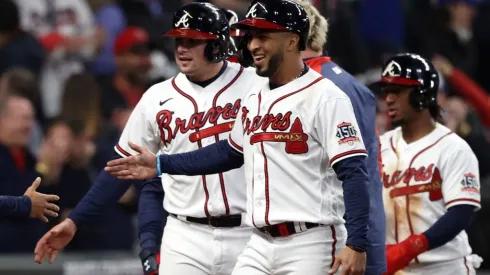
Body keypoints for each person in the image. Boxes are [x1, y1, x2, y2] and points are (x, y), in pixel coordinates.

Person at [105, 0, 370, 274]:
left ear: (292, 41)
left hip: (310, 240)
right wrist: (161, 164)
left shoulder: (326, 97)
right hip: (258, 243)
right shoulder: (255, 95)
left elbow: (354, 172)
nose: (253, 44)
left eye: (263, 36)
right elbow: (227, 153)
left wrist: (357, 243)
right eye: (251, 35)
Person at [34, 4, 261, 275]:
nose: (181, 48)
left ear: (217, 44)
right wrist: (75, 221)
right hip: (186, 235)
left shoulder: (257, 85)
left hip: (248, 231)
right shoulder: (157, 97)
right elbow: (120, 170)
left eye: (192, 41)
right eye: (178, 40)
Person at [296, 1, 386, 274]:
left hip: (332, 234)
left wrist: (364, 246)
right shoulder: (345, 82)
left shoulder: (326, 86)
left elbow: (360, 171)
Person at [377, 53, 482, 275]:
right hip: (395, 269)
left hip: (445, 268)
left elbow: (462, 212)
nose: (389, 99)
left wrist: (410, 248)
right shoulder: (379, 146)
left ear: (421, 94)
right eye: (387, 91)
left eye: (397, 91)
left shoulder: (453, 148)